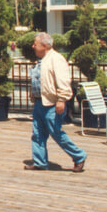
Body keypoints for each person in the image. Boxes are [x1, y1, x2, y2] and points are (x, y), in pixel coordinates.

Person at [25, 32, 87, 173]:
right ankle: (40, 162)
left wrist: (61, 99)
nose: (33, 46)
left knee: (56, 133)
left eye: (36, 43)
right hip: (40, 103)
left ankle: (78, 156)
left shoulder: (56, 59)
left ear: (45, 45)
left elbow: (63, 81)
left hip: (52, 104)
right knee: (37, 134)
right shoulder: (42, 60)